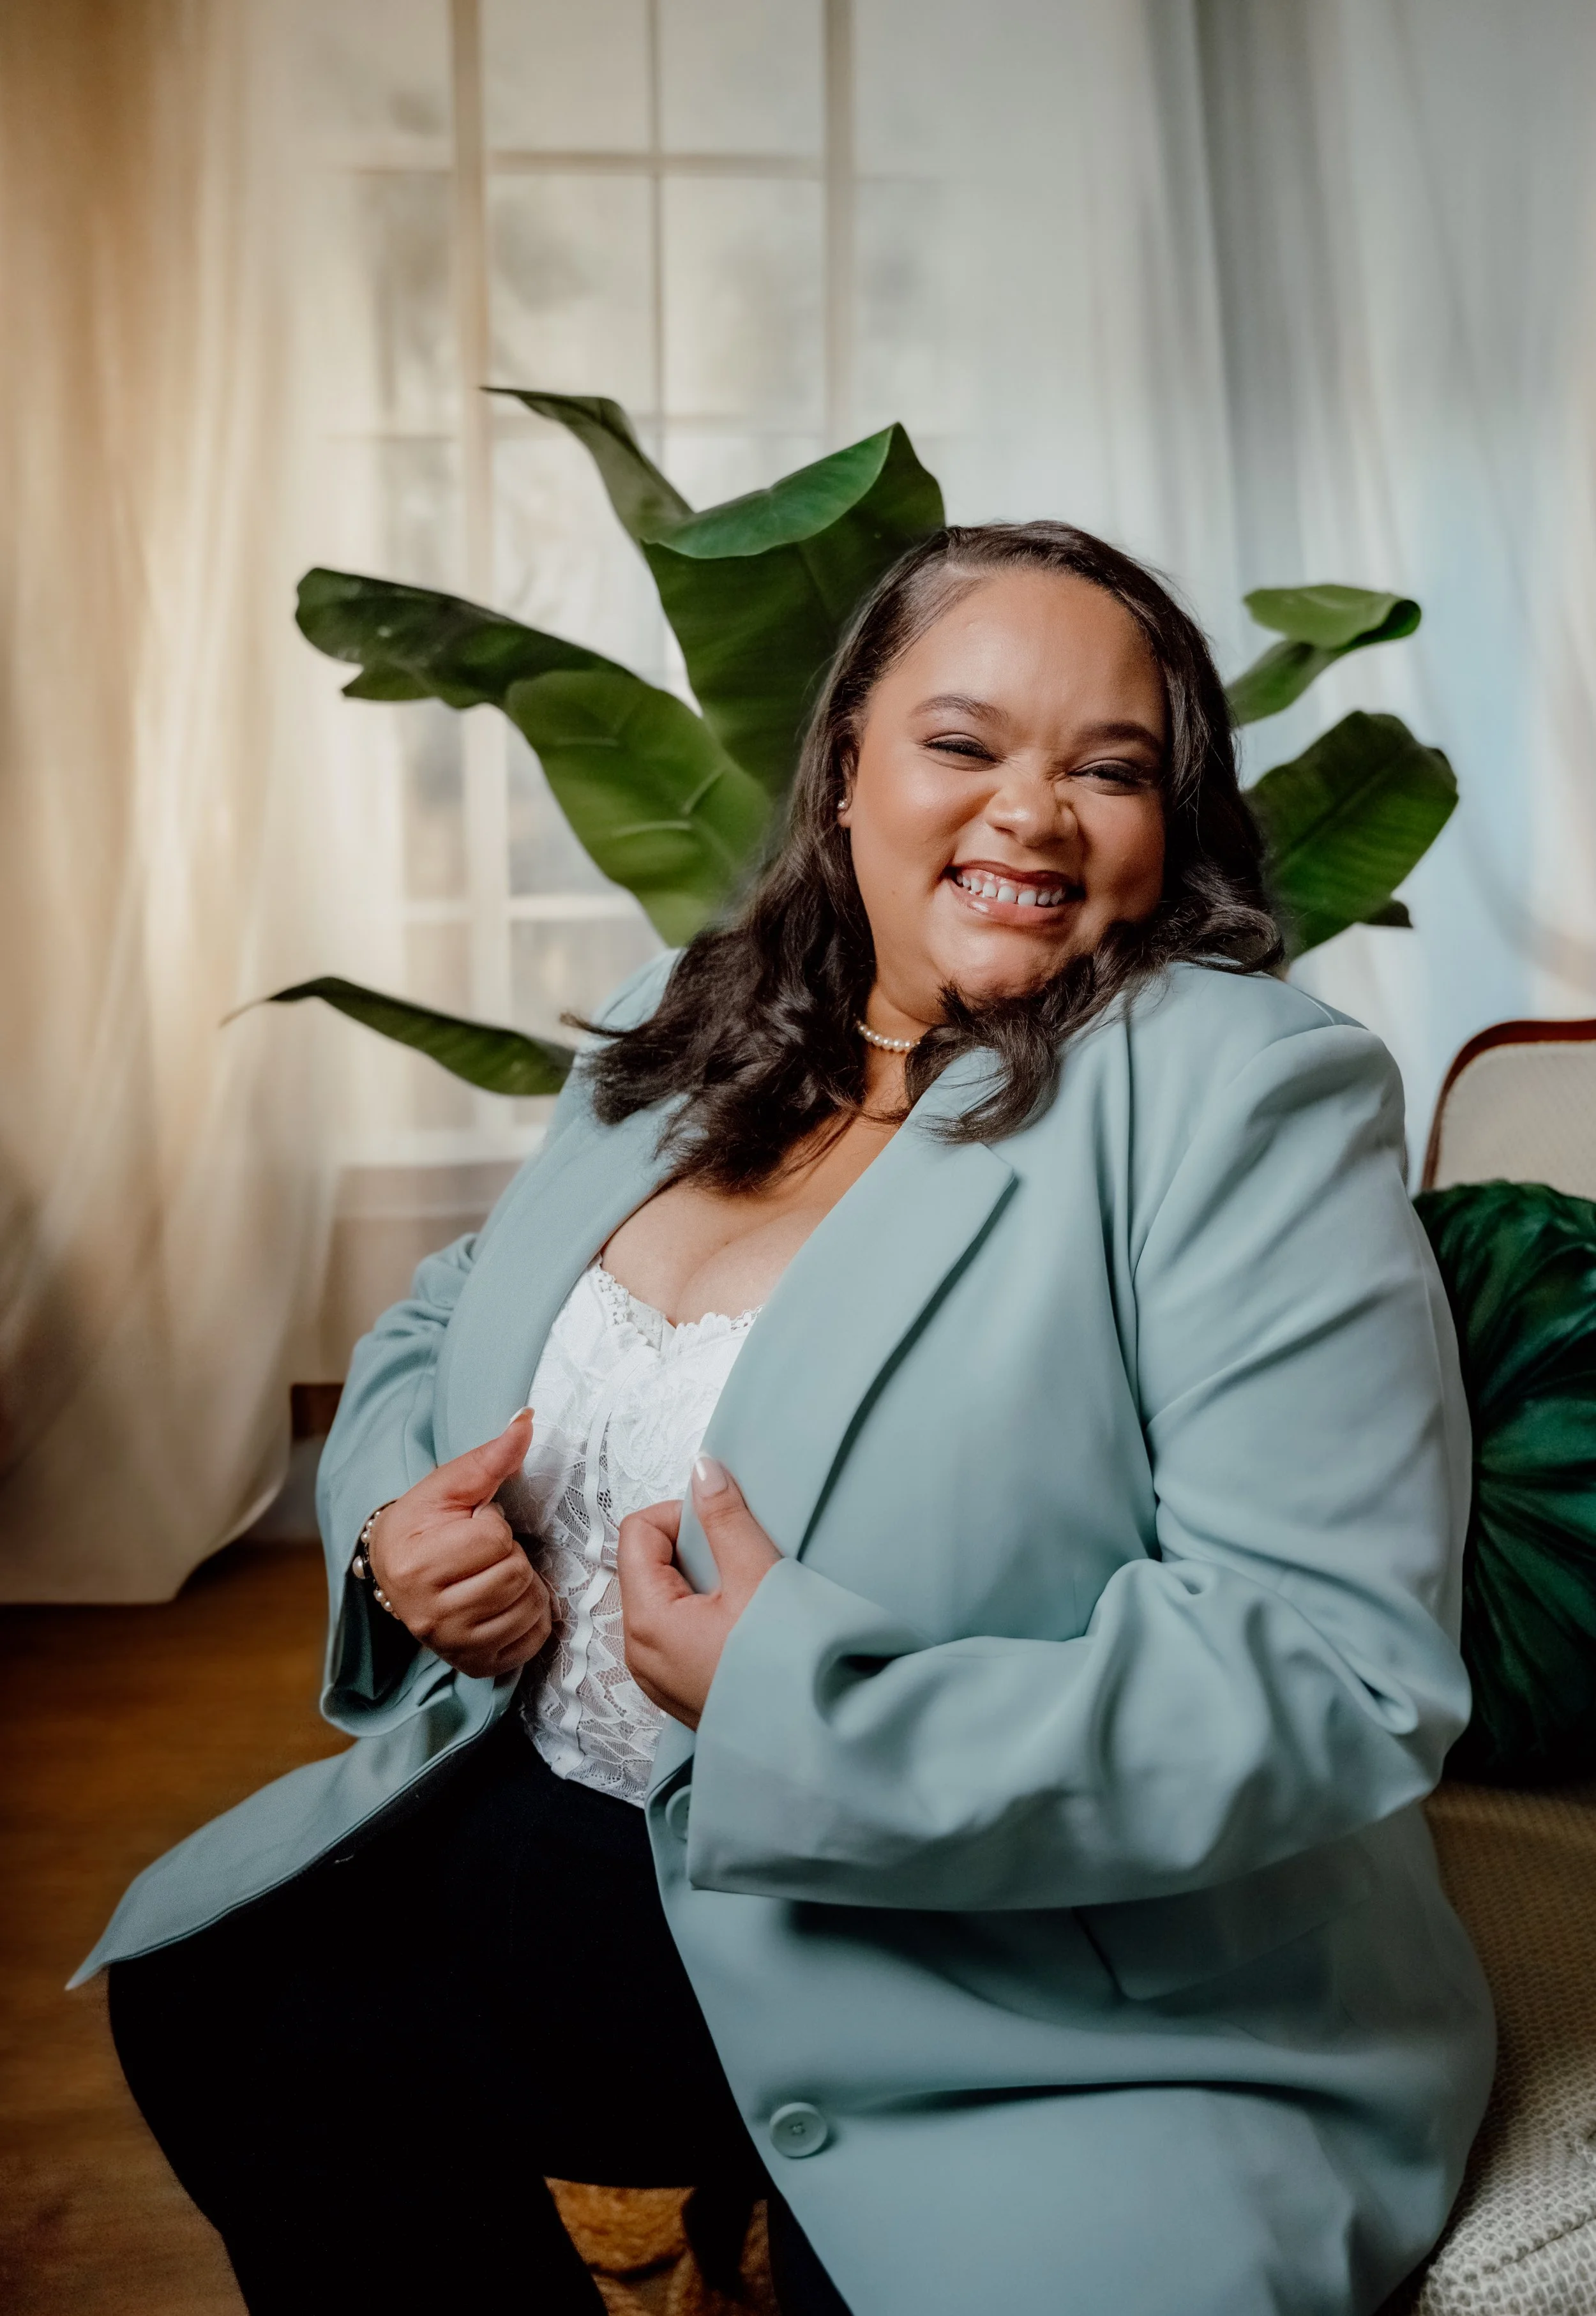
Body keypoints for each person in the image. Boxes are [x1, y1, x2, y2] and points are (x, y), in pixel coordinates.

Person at [86, 522, 1494, 2316]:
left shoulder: (1239, 1097)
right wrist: (392, 1528)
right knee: (233, 1993)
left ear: (1168, 821)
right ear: (845, 769)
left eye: (1110, 768)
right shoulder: (696, 1022)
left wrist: (796, 1697)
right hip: (586, 1829)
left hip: (1015, 1954)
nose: (1033, 814)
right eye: (964, 744)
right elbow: (451, 1310)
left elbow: (1334, 1661)